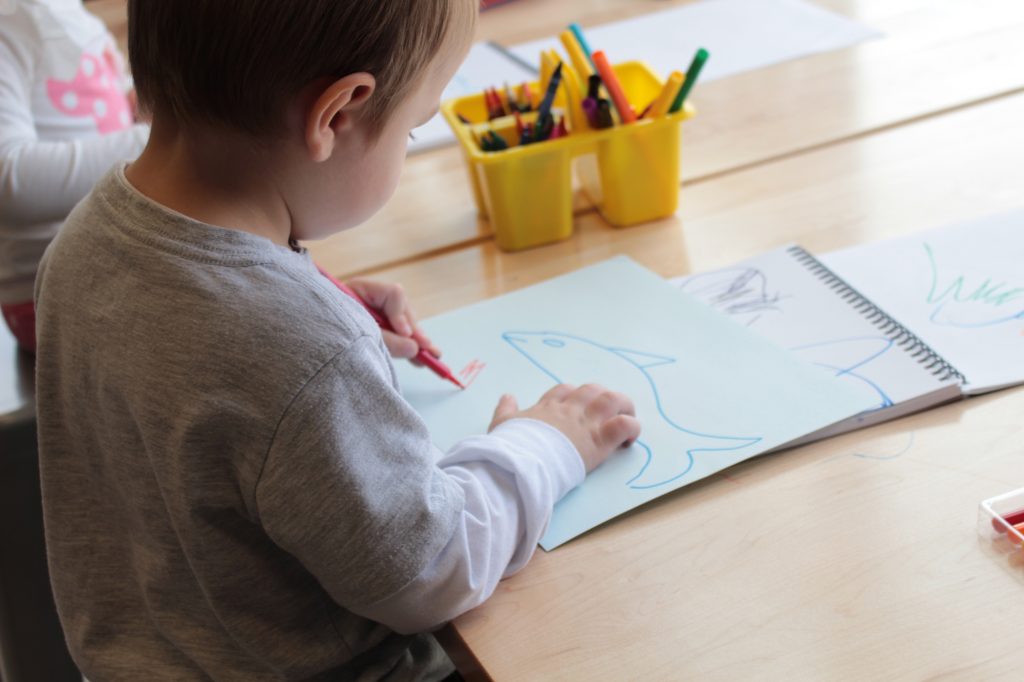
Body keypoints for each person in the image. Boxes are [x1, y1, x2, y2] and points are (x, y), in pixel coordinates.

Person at [33, 1, 641, 679]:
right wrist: (546, 445)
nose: (409, 143)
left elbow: (191, 349)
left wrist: (303, 289)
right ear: (337, 116)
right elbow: (432, 570)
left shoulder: (81, 242)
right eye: (413, 128)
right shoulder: (300, 352)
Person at [0, 0, 149, 351]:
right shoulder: (9, 19)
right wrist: (155, 141)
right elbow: (9, 180)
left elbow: (92, 108)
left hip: (103, 265)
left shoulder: (69, 14)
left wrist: (136, 100)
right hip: (55, 291)